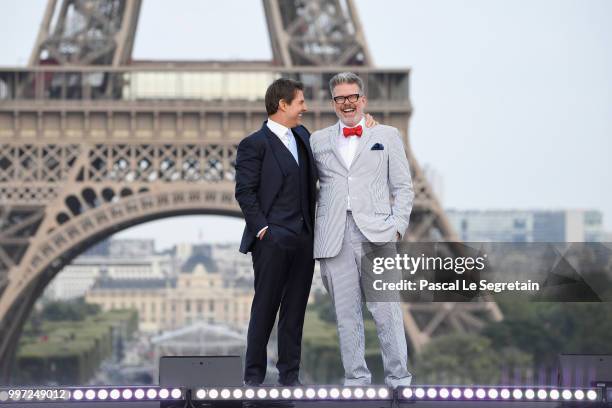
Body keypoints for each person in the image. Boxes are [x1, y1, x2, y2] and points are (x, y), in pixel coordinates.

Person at [310, 72, 414, 388]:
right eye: (340, 97)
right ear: (333, 103)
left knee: (387, 313)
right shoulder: (317, 140)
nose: (347, 102)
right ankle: (356, 380)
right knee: (346, 316)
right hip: (335, 236)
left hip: (378, 235)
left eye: (352, 96)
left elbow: (404, 187)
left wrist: (397, 229)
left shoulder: (387, 135)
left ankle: (399, 379)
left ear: (363, 99)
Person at [235, 78, 315, 386]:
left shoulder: (304, 136)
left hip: (304, 238)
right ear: (283, 105)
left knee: (294, 312)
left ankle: (289, 377)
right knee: (265, 310)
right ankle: (253, 379)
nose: (305, 107)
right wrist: (265, 231)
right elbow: (245, 193)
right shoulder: (254, 144)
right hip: (272, 240)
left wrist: (367, 124)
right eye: (300, 102)